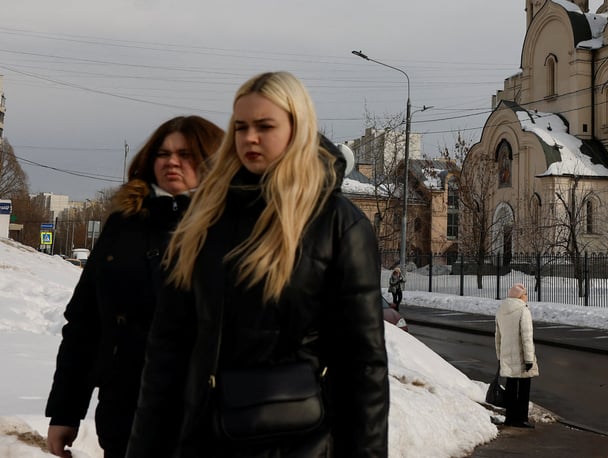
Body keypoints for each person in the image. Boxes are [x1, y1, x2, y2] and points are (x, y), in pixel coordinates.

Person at [125, 71, 389, 458]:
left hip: (299, 443)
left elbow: (363, 367)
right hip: (202, 442)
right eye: (241, 127)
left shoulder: (338, 223)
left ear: (297, 129)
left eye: (265, 126)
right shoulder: (204, 216)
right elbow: (167, 350)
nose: (249, 138)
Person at [45, 116, 224, 458]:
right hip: (124, 412)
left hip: (208, 421)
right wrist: (65, 412)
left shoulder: (231, 228)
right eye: (163, 152)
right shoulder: (123, 225)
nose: (171, 161)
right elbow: (84, 325)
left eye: (186, 154)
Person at [495, 283, 539, 429]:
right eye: (525, 294)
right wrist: (528, 359)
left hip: (507, 355)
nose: (526, 297)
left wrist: (499, 356)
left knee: (511, 387)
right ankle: (521, 418)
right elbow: (526, 337)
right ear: (520, 296)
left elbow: (498, 336)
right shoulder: (523, 311)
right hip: (521, 356)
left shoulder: (501, 310)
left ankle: (510, 417)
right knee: (524, 388)